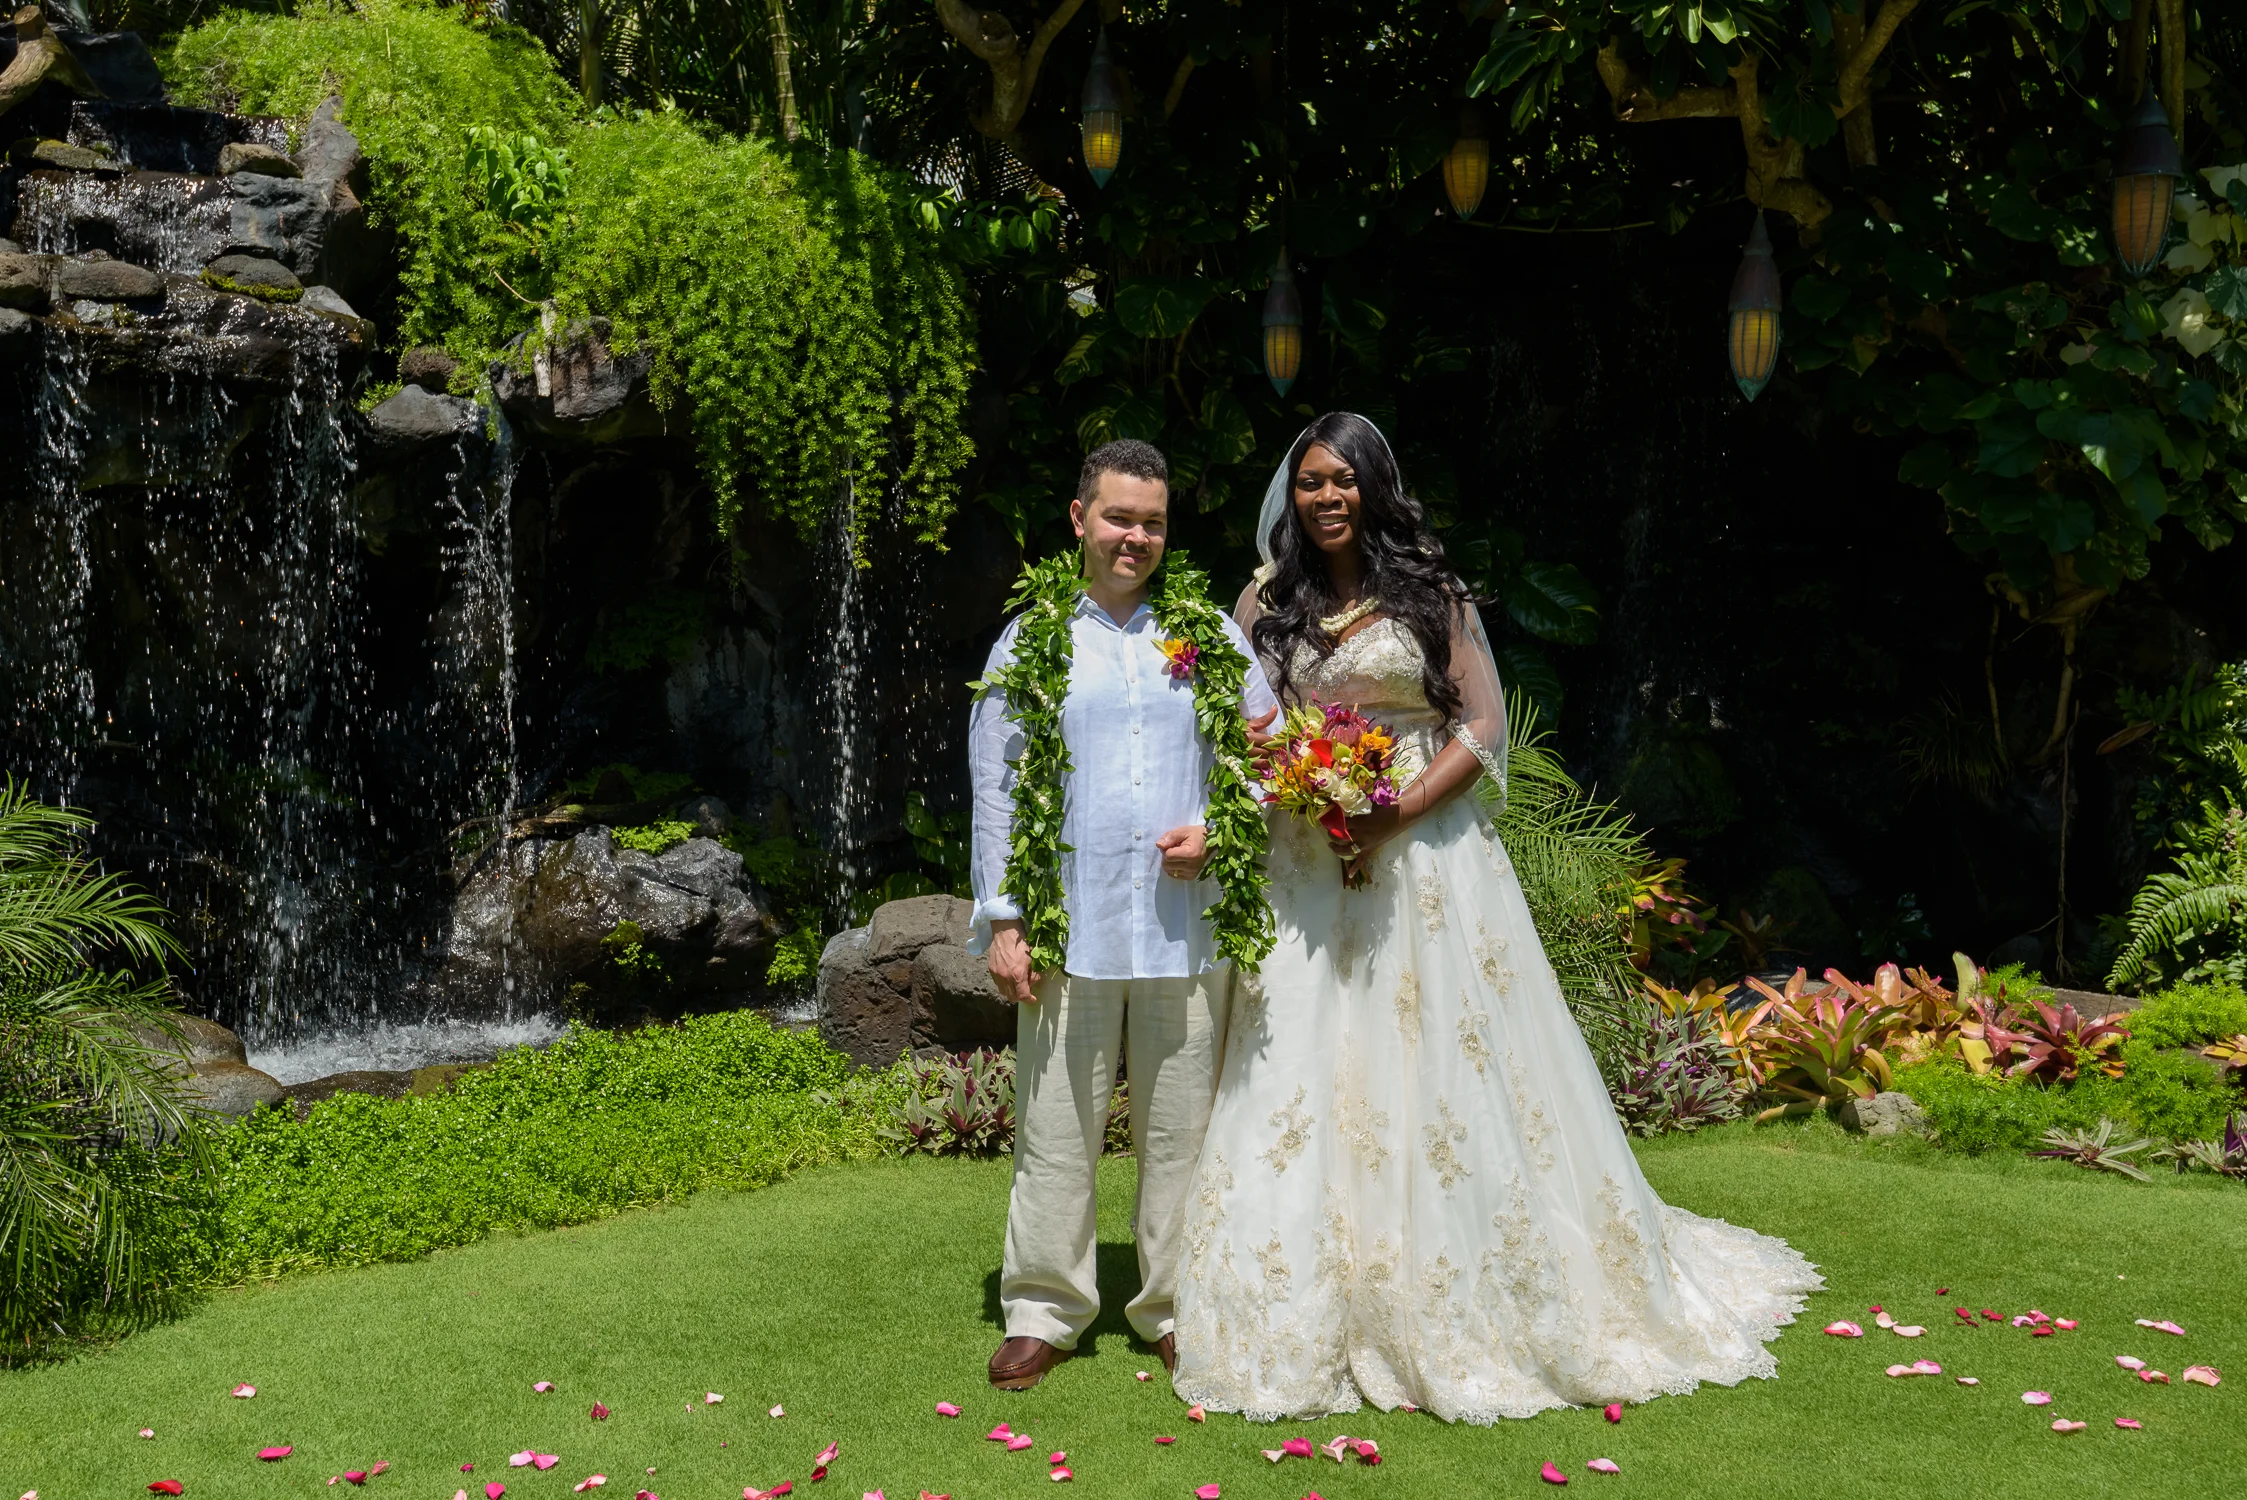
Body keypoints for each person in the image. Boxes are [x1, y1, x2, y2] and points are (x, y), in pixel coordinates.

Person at [1170, 412, 1822, 1423]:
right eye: (1310, 483)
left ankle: (1468, 1278)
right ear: (1291, 497)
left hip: (1423, 859)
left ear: (1375, 486)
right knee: (1293, 1062)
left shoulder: (1433, 596)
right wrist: (1299, 787)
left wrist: (1391, 817)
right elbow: (1239, 725)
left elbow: (1480, 727)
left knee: (1437, 1061)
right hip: (1304, 863)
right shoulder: (1265, 600)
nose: (1326, 497)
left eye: (1343, 479)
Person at [968, 438, 1279, 1390]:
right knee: (1055, 1132)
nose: (1134, 536)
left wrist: (1225, 831)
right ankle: (1045, 1309)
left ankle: (1176, 1304)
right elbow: (995, 784)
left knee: (1182, 1134)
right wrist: (1006, 920)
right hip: (1071, 929)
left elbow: (1267, 750)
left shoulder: (1205, 635)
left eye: (1150, 521)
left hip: (1186, 927)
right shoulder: (1031, 640)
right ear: (1079, 520)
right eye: (1118, 517)